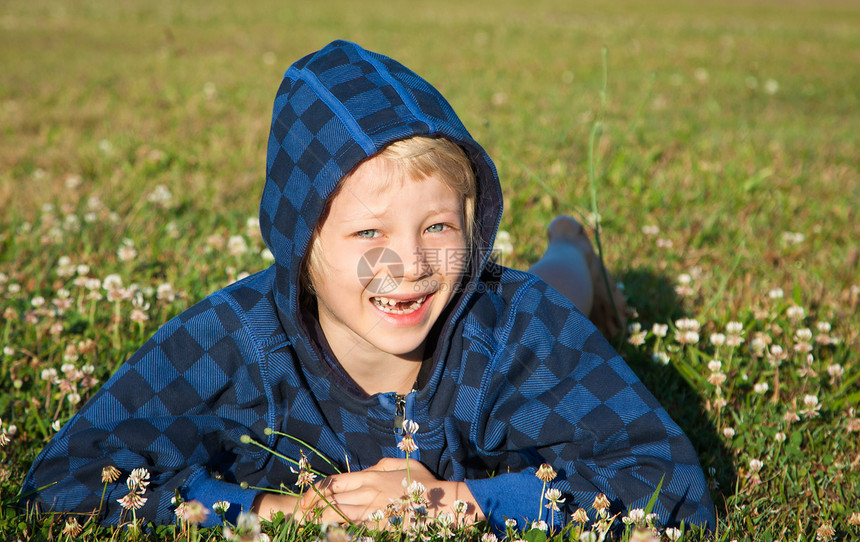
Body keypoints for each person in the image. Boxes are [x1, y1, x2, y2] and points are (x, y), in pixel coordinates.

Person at [22, 40, 715, 534]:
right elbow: (66, 480)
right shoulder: (237, 343)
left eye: (439, 226)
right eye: (367, 235)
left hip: (533, 303)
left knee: (555, 290)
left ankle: (572, 245)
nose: (408, 264)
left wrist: (464, 503)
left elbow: (671, 482)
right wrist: (280, 511)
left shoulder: (515, 328)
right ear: (300, 244)